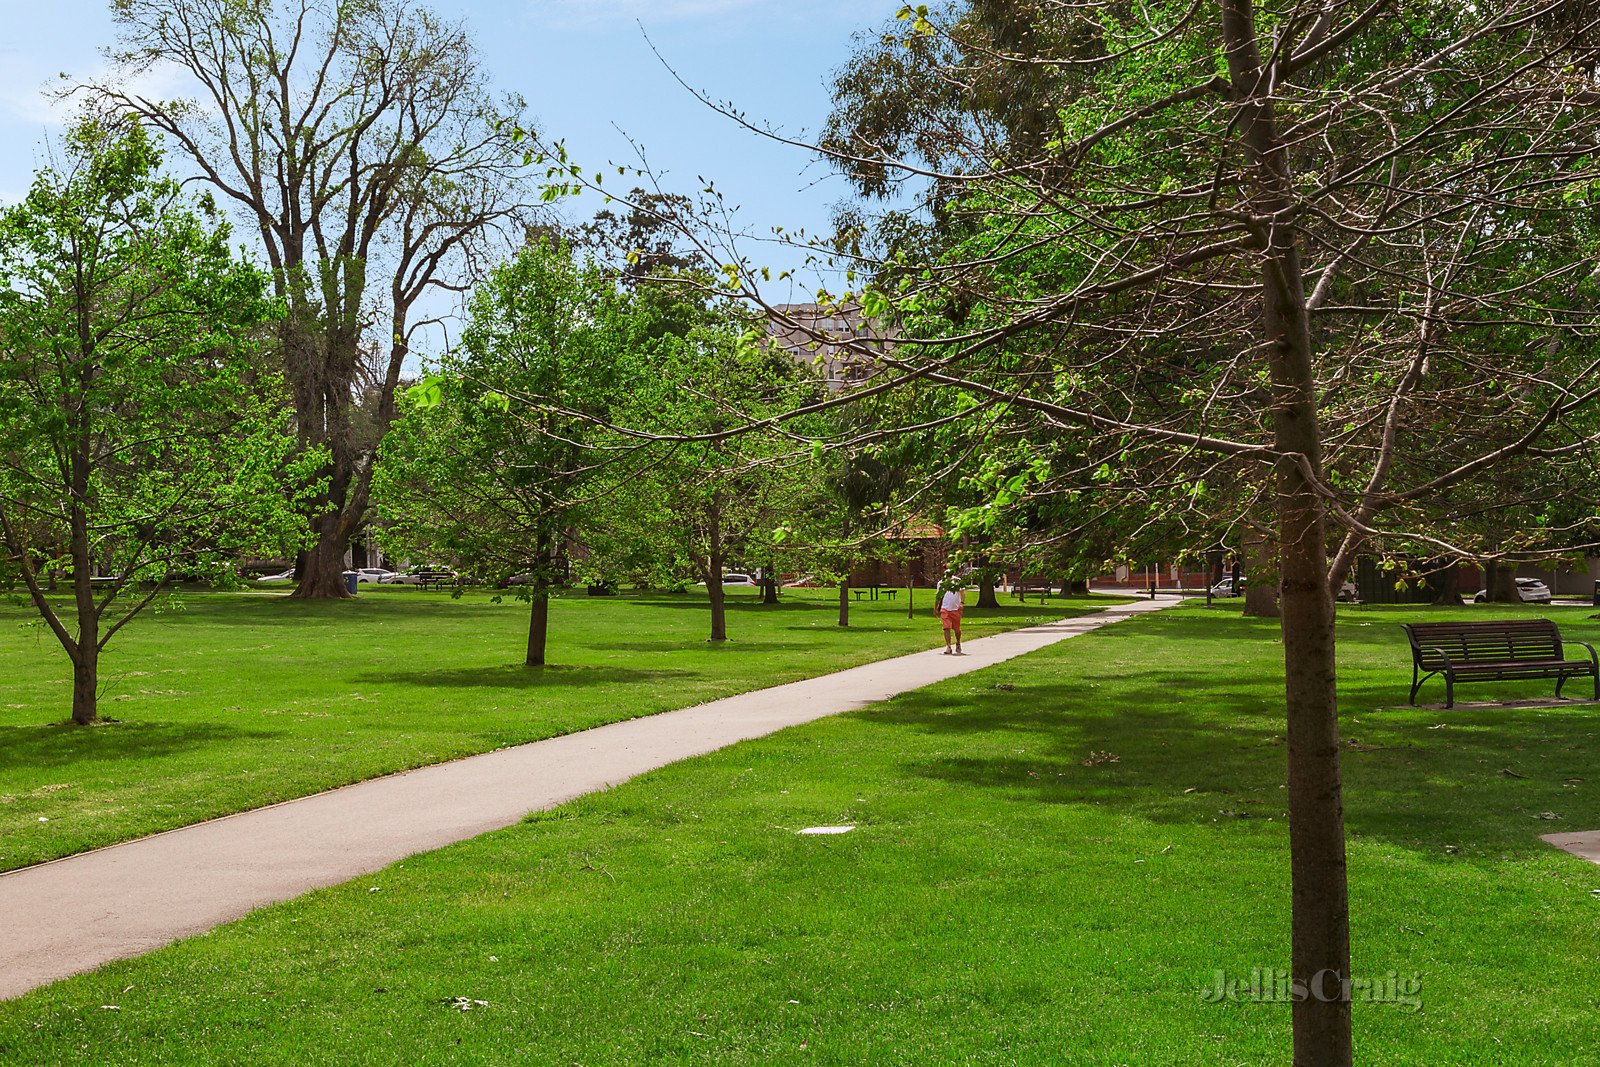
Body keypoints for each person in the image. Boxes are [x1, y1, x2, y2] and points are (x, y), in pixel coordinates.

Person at [936, 572, 965, 655]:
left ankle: (958, 643)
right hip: (945, 608)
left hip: (956, 608)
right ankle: (948, 646)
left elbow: (962, 592)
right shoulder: (941, 583)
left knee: (957, 629)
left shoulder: (957, 581)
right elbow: (939, 596)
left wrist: (962, 603)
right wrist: (935, 608)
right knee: (946, 627)